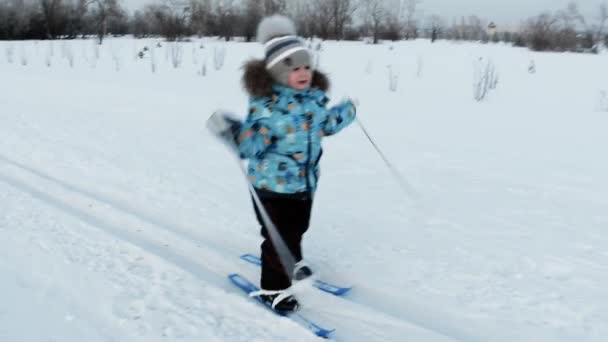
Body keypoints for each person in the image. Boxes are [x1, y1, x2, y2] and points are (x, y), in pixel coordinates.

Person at [213, 15, 356, 312]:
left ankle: (293, 259)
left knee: (298, 228)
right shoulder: (268, 109)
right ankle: (273, 288)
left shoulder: (313, 100)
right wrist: (233, 132)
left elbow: (325, 125)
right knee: (279, 239)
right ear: (277, 72)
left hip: (304, 183)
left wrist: (345, 113)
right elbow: (251, 146)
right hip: (271, 187)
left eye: (306, 66)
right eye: (293, 67)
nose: (303, 72)